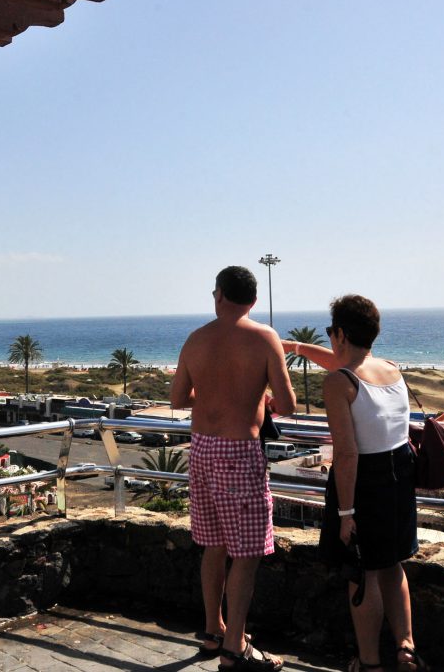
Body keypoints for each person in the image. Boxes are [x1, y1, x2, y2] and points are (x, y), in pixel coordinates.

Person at [282, 295, 426, 672]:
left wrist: (346, 513)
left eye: (332, 332)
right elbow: (345, 363)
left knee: (363, 573)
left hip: (366, 482)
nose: (330, 339)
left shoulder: (338, 383)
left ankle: (370, 662)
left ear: (341, 334)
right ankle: (406, 649)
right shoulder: (392, 370)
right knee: (393, 566)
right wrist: (296, 347)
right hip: (400, 474)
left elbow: (346, 454)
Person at [171, 265, 296, 672]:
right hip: (239, 451)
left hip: (202, 449)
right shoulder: (264, 338)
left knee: (214, 544)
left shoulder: (196, 339)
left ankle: (212, 630)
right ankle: (234, 647)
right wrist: (255, 399)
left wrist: (212, 394)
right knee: (247, 554)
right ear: (254, 301)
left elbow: (177, 399)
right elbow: (289, 404)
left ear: (219, 295)